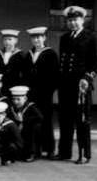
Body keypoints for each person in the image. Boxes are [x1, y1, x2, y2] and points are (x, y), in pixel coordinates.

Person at [57, 6, 97, 164]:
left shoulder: (90, 37)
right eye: (70, 20)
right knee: (65, 120)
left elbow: (95, 62)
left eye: (75, 20)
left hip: (81, 86)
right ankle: (64, 152)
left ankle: (84, 154)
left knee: (82, 121)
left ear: (82, 20)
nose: (72, 23)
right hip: (65, 86)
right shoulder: (64, 38)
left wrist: (87, 79)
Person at [23, 26, 59, 158]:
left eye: (39, 37)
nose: (36, 40)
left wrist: (48, 91)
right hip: (31, 94)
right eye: (34, 37)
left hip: (45, 94)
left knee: (46, 121)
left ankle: (49, 149)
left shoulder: (50, 53)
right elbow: (25, 75)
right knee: (33, 122)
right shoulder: (29, 54)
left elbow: (55, 76)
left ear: (44, 38)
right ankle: (35, 150)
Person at [7, 86, 43, 162]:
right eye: (14, 99)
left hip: (29, 128)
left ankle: (33, 153)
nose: (15, 102)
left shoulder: (31, 106)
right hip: (19, 129)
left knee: (35, 127)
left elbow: (40, 117)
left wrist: (24, 120)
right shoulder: (13, 107)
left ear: (25, 98)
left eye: (18, 99)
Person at [0, 29, 26, 95]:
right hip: (3, 85)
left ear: (16, 41)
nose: (7, 42)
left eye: (10, 39)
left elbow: (24, 72)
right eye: (5, 39)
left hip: (16, 85)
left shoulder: (20, 54)